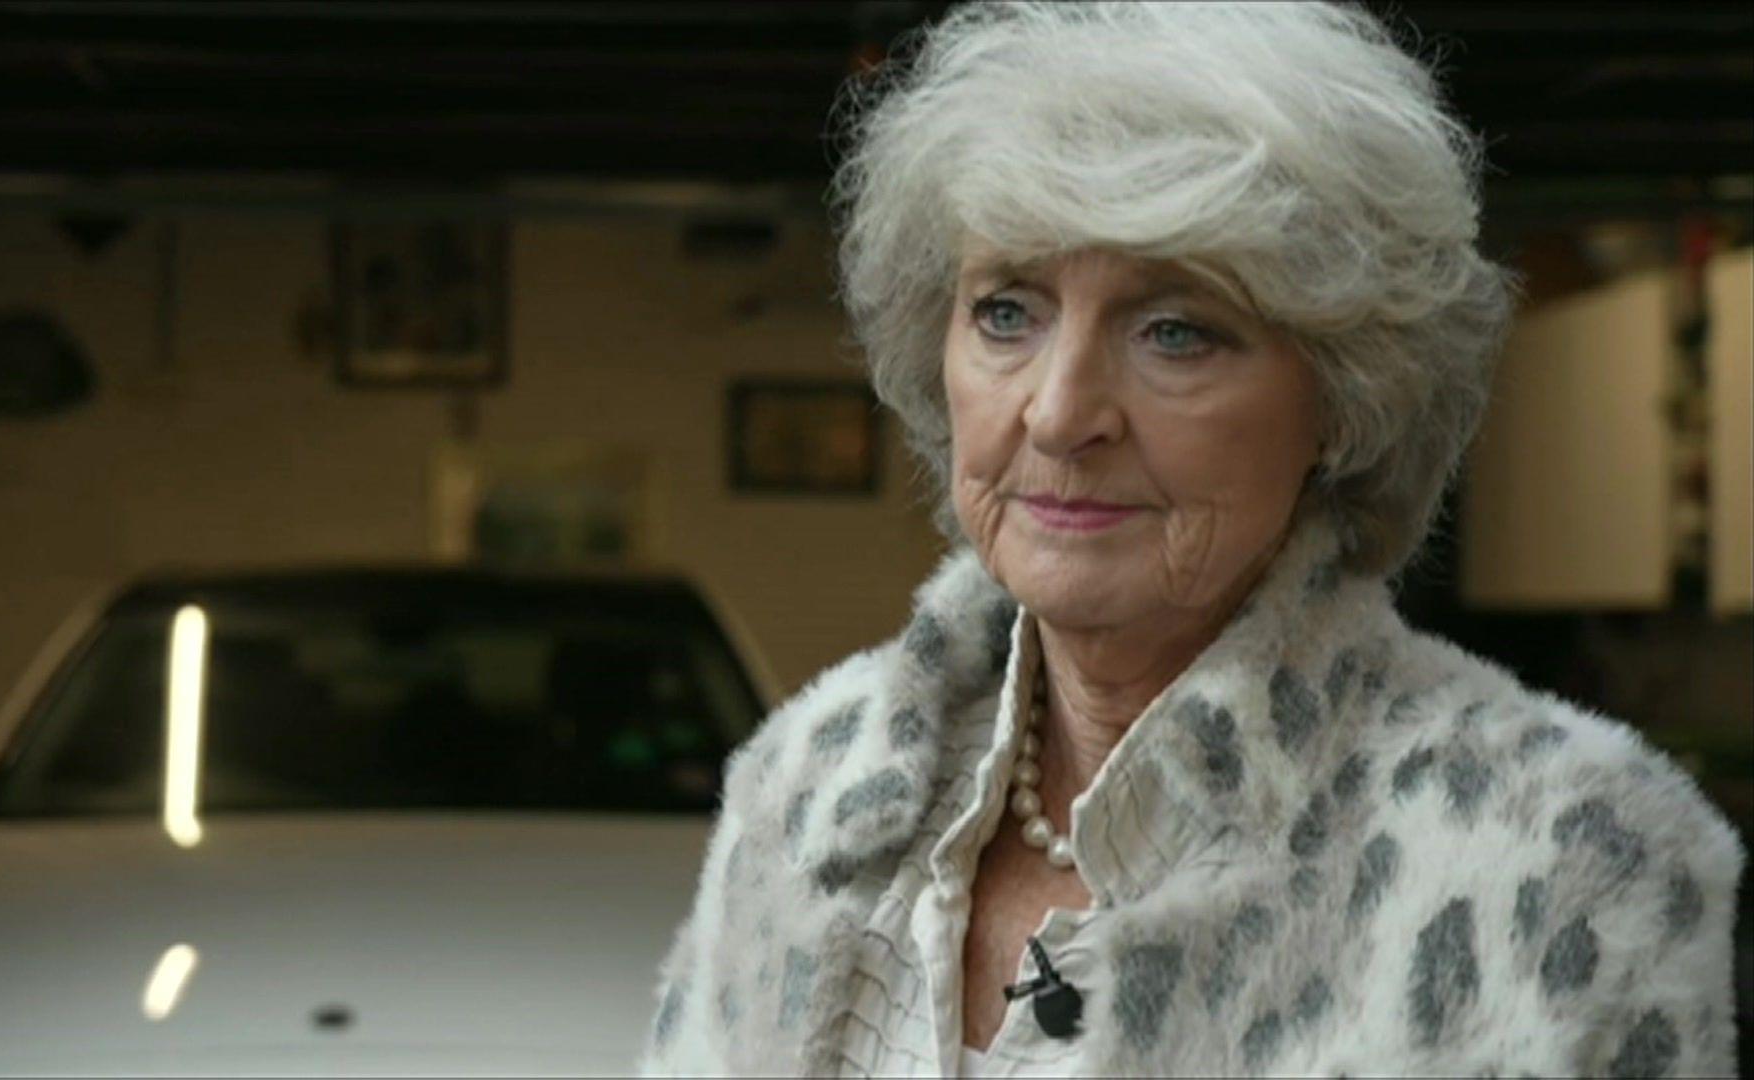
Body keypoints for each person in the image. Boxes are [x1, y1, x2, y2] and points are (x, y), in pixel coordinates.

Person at [641, 3, 1744, 1076]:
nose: (1061, 412)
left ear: (1345, 401)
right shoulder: (806, 791)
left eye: (1175, 330)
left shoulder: (1568, 858)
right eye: (1007, 312)